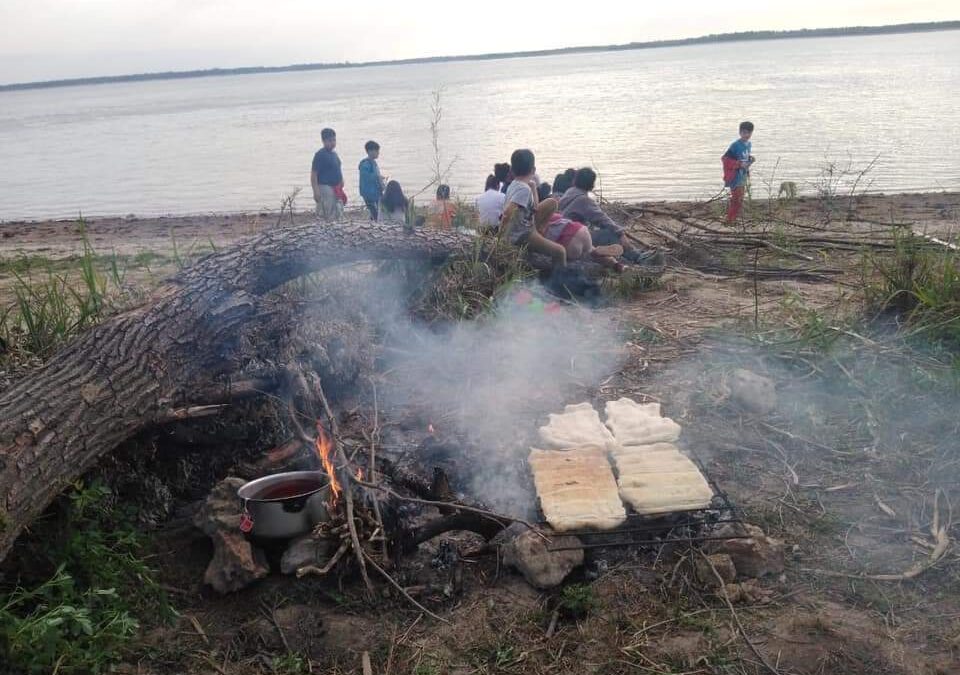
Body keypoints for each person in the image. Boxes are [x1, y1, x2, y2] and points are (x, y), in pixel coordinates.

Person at [559, 168, 663, 266]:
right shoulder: (584, 200)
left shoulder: (570, 192)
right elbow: (603, 219)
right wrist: (621, 234)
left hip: (563, 237)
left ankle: (634, 252)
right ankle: (639, 258)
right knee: (610, 234)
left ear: (575, 181)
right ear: (591, 185)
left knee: (601, 230)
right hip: (573, 240)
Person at [723, 121, 755, 223]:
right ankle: (730, 220)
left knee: (740, 198)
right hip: (735, 176)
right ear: (740, 132)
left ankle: (734, 218)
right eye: (744, 132)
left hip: (743, 175)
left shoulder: (749, 144)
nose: (747, 135)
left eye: (749, 133)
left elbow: (744, 157)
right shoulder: (735, 145)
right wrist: (739, 164)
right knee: (736, 198)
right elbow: (725, 159)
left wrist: (750, 159)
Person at [311, 128, 344, 222]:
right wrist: (316, 191)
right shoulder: (320, 154)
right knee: (325, 211)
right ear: (323, 141)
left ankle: (335, 232)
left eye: (334, 140)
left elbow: (338, 167)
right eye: (330, 140)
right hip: (324, 187)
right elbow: (314, 174)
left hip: (336, 187)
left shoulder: (334, 154)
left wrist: (341, 180)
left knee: (337, 210)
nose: (333, 142)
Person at [358, 140, 385, 221]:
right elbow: (366, 177)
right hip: (369, 194)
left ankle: (373, 223)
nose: (378, 153)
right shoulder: (365, 164)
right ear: (369, 151)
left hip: (376, 193)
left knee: (378, 212)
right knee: (374, 212)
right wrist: (378, 177)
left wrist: (380, 180)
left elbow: (375, 176)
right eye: (376, 151)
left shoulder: (373, 163)